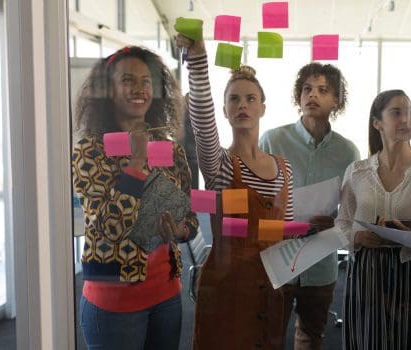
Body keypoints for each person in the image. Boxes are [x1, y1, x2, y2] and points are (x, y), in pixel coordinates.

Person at [71, 46, 199, 349]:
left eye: (146, 80)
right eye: (127, 80)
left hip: (167, 294)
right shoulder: (90, 152)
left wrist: (181, 231)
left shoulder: (171, 150)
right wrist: (137, 160)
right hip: (114, 300)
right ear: (108, 90)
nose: (139, 88)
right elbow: (108, 227)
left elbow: (190, 216)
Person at [175, 35, 294, 349]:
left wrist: (313, 232)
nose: (243, 105)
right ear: (225, 110)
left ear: (263, 108)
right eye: (234, 99)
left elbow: (284, 235)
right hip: (227, 290)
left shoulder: (285, 169)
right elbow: (202, 124)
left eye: (251, 98)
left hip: (270, 289)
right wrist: (199, 60)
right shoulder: (222, 165)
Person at [336, 89, 411, 349]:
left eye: (409, 112)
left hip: (409, 273)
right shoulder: (357, 172)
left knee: (405, 343)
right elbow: (341, 224)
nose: (406, 120)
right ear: (378, 123)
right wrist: (359, 236)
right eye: (397, 113)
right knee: (364, 341)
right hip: (365, 272)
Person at [259, 62, 360, 349]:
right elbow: (257, 198)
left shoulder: (348, 151)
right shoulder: (272, 140)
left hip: (320, 260)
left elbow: (352, 213)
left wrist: (337, 222)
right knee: (269, 335)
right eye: (306, 89)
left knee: (311, 337)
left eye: (322, 89)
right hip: (277, 254)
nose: (312, 95)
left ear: (335, 100)